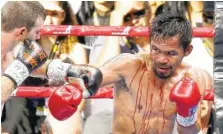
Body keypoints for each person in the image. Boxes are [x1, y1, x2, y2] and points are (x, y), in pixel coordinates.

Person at [51, 11, 213, 133]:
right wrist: (74, 88)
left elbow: (190, 131)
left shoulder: (193, 78)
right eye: (156, 50)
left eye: (171, 53)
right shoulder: (129, 65)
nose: (161, 59)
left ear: (187, 50)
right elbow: (94, 78)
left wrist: (186, 116)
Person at [1, 1, 103, 123]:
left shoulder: (74, 49)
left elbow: (32, 66)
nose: (48, 21)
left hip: (58, 114)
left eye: (54, 14)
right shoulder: (16, 44)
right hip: (25, 115)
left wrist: (68, 71)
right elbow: (15, 74)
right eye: (44, 14)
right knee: (16, 106)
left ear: (62, 16)